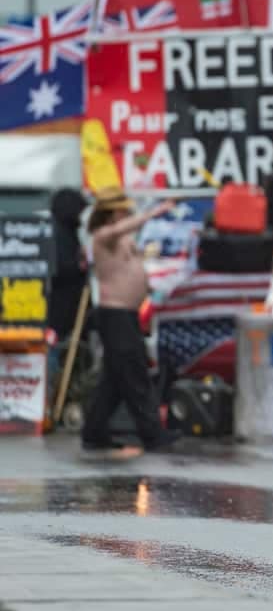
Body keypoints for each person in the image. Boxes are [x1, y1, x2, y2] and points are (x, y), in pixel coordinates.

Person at [80, 188, 180, 455]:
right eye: (122, 209)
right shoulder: (102, 237)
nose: (127, 213)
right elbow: (118, 230)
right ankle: (153, 435)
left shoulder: (124, 239)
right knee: (135, 376)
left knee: (114, 381)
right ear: (112, 213)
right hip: (115, 316)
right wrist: (154, 212)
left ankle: (94, 432)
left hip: (128, 315)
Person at [47, 189, 88, 347]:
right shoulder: (58, 233)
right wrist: (79, 265)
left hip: (71, 303)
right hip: (60, 304)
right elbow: (59, 266)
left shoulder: (67, 231)